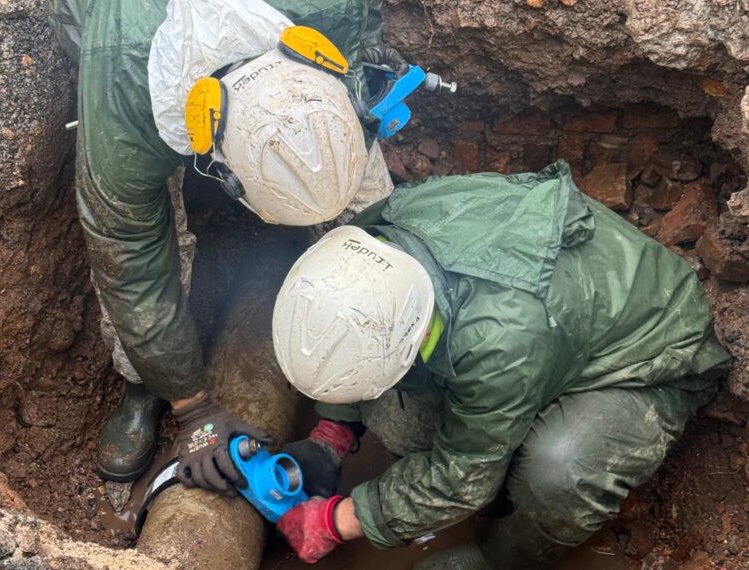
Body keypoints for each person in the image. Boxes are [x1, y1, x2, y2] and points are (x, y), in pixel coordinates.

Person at [271, 160, 732, 568]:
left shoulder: (497, 338)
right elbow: (348, 336)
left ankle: (501, 558)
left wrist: (338, 522)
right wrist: (332, 433)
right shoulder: (372, 243)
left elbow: (461, 479)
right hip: (552, 326)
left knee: (558, 472)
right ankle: (501, 443)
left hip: (649, 355)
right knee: (402, 425)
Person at [48, 0, 406, 489]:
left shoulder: (326, 12)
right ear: (219, 163)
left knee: (367, 204)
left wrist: (363, 53)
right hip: (130, 38)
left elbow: (358, 19)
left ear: (315, 57)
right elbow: (128, 252)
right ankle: (144, 383)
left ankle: (385, 320)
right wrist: (193, 408)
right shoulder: (126, 90)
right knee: (145, 237)